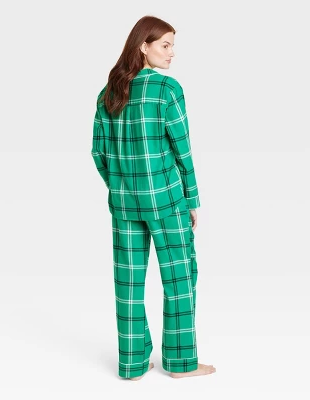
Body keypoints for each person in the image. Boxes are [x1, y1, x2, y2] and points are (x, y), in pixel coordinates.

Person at [91, 15, 216, 380]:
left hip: (124, 205)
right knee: (179, 278)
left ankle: (132, 365)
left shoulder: (109, 92)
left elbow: (99, 153)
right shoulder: (166, 89)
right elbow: (182, 150)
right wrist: (191, 199)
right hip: (166, 201)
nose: (172, 52)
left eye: (172, 45)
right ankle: (180, 363)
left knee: (128, 283)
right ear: (143, 46)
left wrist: (121, 185)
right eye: (165, 45)